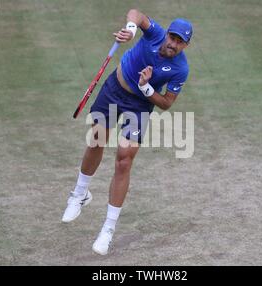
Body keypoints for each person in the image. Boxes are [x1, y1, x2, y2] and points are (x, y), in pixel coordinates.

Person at [62, 8, 192, 255]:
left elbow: (166, 103)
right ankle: (80, 193)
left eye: (179, 41)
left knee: (124, 161)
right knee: (96, 141)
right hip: (114, 88)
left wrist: (145, 88)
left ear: (186, 45)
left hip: (140, 104)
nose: (173, 44)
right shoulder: (154, 34)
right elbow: (136, 13)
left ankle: (108, 229)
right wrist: (131, 30)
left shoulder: (180, 70)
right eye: (172, 37)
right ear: (167, 34)